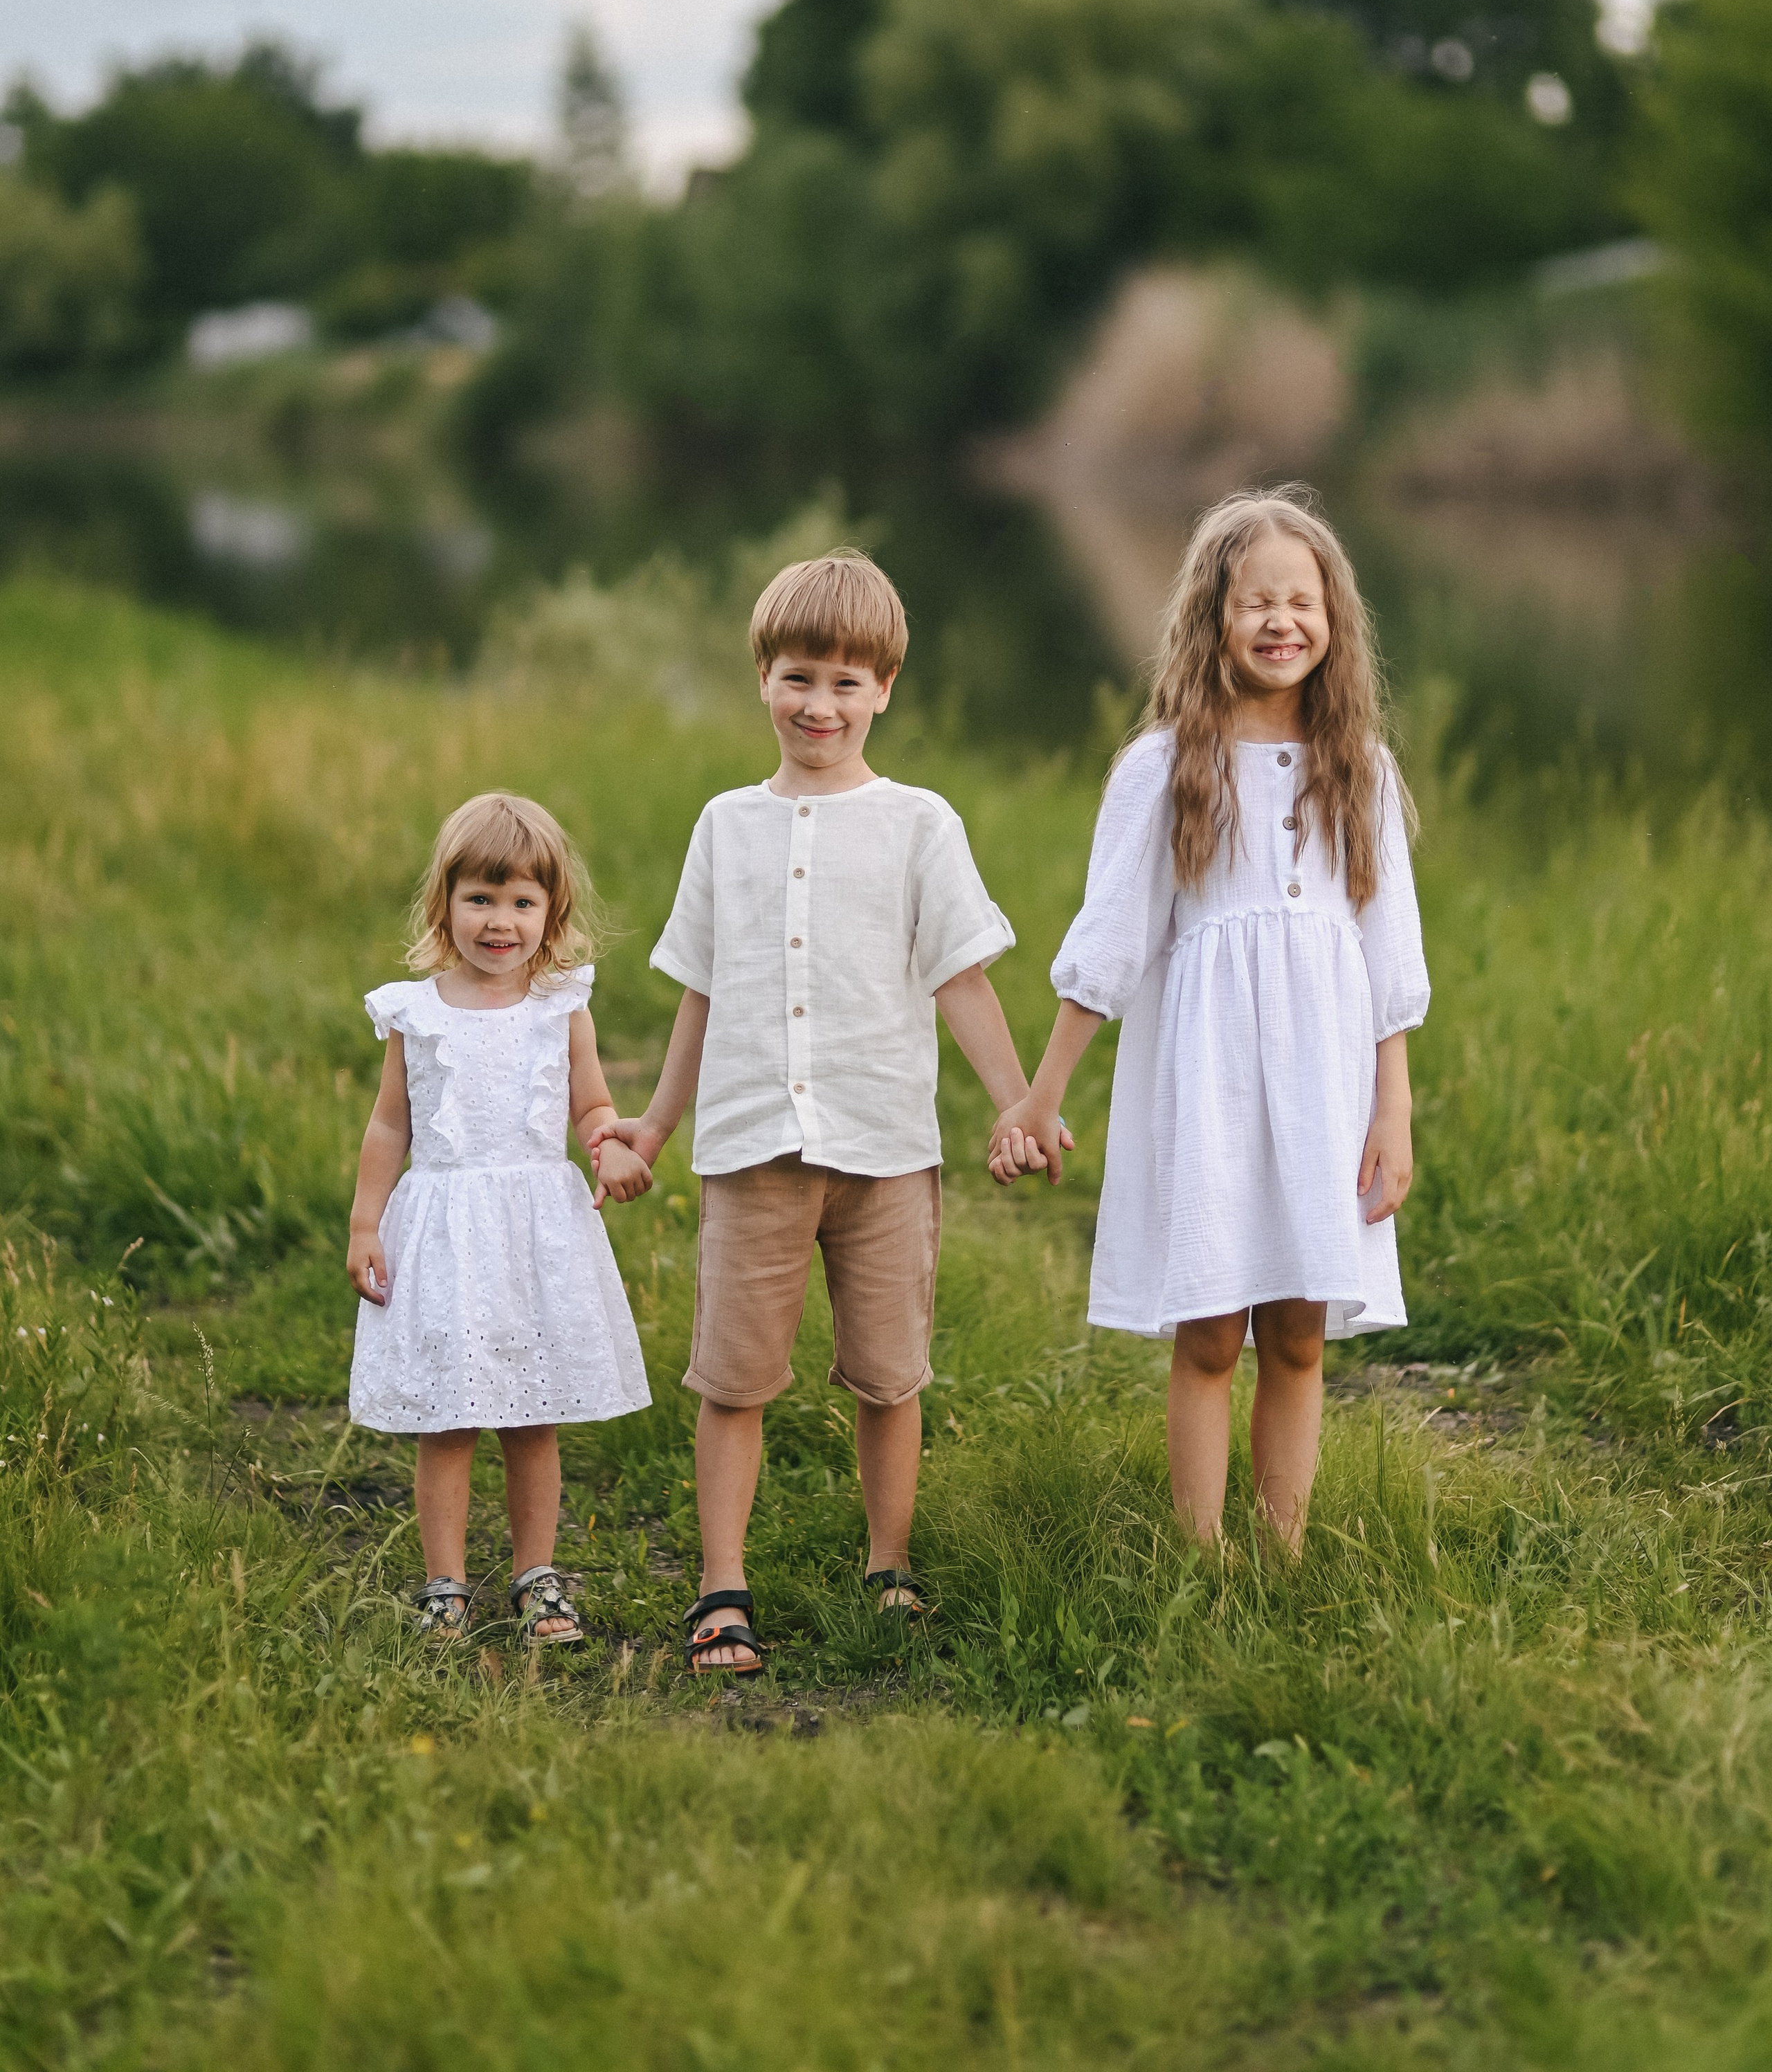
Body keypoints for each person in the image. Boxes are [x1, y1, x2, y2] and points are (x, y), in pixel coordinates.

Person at [591, 549, 1040, 1674]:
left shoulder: (919, 823)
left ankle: (889, 1566)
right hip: (751, 1146)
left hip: (885, 1146)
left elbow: (961, 978)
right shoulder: (725, 825)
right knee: (733, 1376)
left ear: (885, 687)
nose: (820, 704)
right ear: (763, 677)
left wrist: (1018, 1103)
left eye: (846, 682)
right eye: (799, 677)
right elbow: (702, 991)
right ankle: (721, 1585)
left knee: (891, 1373)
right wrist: (655, 1124)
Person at [989, 487, 1429, 1554]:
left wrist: (1394, 1109)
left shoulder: (1360, 768)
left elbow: (1388, 955)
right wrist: (1040, 1095)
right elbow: (1110, 942)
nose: (1282, 622)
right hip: (1210, 1079)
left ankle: (1282, 1549)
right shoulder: (1164, 766)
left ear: (1334, 619)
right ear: (1212, 618)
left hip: (1325, 1087)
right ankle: (1201, 1555)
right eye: (1256, 603)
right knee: (1212, 1333)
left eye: (1302, 602)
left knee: (1300, 1333)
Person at [346, 792, 653, 1644]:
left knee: (530, 1411)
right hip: (446, 1229)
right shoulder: (416, 1012)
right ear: (444, 901)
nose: (499, 920)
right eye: (480, 897)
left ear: (552, 909)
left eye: (522, 900)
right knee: (446, 1417)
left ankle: (536, 1574)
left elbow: (591, 1103)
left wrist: (609, 1146)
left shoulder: (561, 1004)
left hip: (532, 1234)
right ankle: (444, 1582)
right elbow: (390, 1125)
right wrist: (366, 1222)